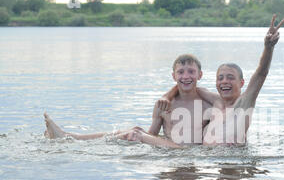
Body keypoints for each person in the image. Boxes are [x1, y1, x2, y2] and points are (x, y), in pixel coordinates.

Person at [132, 14, 284, 146]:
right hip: (210, 163)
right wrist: (167, 96)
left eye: (230, 78)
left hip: (232, 160)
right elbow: (188, 85)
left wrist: (268, 47)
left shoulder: (243, 103)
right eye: (220, 78)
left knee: (137, 134)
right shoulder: (216, 103)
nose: (224, 81)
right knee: (135, 133)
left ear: (241, 83)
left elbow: (261, 74)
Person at [43, 54, 211, 148]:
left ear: (200, 75)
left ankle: (70, 138)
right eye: (181, 72)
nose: (186, 76)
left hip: (185, 152)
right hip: (167, 149)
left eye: (191, 72)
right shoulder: (163, 104)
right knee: (136, 130)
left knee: (136, 133)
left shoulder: (207, 103)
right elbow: (152, 135)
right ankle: (70, 136)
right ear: (174, 76)